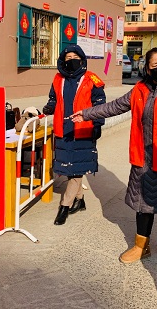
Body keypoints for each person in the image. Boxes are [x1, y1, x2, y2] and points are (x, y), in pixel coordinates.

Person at [71, 47, 157, 267]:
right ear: (147, 68)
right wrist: (86, 113)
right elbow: (114, 107)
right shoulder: (139, 90)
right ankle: (141, 246)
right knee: (142, 206)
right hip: (143, 159)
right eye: (155, 65)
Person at [42, 44, 105, 226]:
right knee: (71, 167)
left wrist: (98, 124)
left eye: (74, 58)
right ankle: (80, 200)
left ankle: (65, 206)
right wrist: (49, 107)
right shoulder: (57, 78)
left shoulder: (91, 79)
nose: (71, 61)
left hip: (84, 129)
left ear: (82, 59)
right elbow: (53, 98)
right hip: (64, 128)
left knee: (76, 169)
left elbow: (99, 103)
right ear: (62, 60)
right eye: (68, 58)